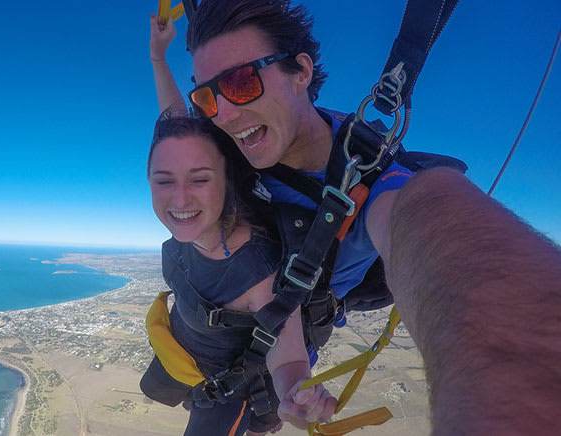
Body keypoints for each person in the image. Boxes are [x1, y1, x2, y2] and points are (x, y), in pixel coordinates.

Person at [153, 0, 561, 434]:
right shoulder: (226, 138)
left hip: (261, 360)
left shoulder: (372, 183)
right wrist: (159, 57)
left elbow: (426, 221)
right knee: (162, 383)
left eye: (240, 82)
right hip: (194, 325)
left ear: (301, 72)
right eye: (206, 95)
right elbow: (178, 125)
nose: (223, 114)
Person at [142, 104, 341, 435]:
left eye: (200, 179)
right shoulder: (190, 227)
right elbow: (175, 130)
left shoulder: (257, 270)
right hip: (186, 353)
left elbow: (288, 357)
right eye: (164, 181)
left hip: (231, 392)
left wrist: (297, 391)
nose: (179, 198)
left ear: (226, 180)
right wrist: (158, 58)